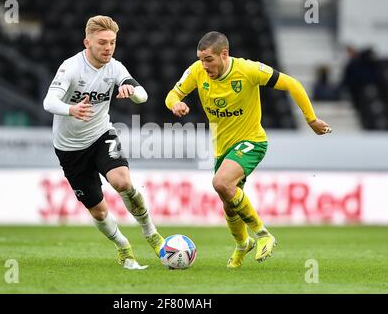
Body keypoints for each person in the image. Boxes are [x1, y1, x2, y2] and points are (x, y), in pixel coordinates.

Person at [165, 31, 332, 268]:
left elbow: (292, 84)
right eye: (201, 59)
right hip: (222, 148)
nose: (204, 65)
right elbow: (172, 94)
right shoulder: (196, 71)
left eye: (209, 59)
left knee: (221, 183)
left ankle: (263, 234)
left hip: (252, 141)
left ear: (224, 54)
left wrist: (311, 119)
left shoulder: (248, 70)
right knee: (228, 200)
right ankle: (243, 244)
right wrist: (176, 103)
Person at [43, 15, 164, 270]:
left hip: (101, 135)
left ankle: (151, 233)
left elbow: (142, 95)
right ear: (87, 42)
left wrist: (131, 91)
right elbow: (49, 101)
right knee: (98, 211)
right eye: (102, 43)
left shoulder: (115, 68)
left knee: (123, 181)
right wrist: (71, 109)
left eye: (112, 42)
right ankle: (123, 247)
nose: (108, 48)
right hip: (70, 149)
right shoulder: (70, 67)